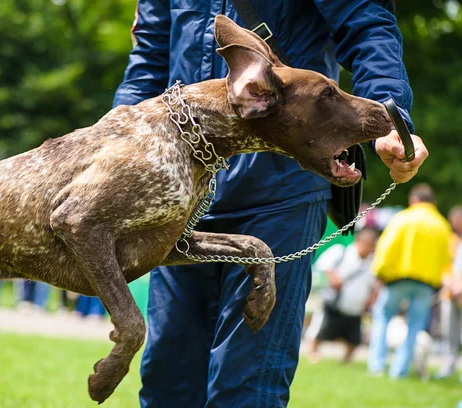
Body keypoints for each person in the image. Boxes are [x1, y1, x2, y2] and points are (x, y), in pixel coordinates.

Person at [114, 2, 428, 406]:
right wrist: (117, 146)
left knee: (246, 389)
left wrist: (389, 116)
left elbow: (367, 25)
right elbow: (150, 58)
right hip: (182, 192)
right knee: (166, 384)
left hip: (281, 190)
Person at [367, 183, 451, 379]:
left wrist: (379, 272)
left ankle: (377, 366)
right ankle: (400, 370)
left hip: (398, 279)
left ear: (414, 199)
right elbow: (446, 258)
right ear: (433, 202)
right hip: (426, 284)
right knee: (415, 325)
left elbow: (387, 249)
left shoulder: (403, 218)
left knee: (383, 316)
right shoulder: (442, 225)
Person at [308, 228, 379, 364]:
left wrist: (371, 299)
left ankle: (346, 361)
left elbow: (375, 284)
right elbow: (323, 264)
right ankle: (313, 354)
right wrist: (333, 278)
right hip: (335, 302)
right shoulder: (342, 252)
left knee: (354, 338)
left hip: (356, 307)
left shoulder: (372, 262)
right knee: (321, 330)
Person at [436, 205, 462, 380]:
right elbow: (443, 264)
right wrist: (448, 281)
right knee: (448, 332)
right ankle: (448, 366)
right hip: (449, 292)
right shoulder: (450, 240)